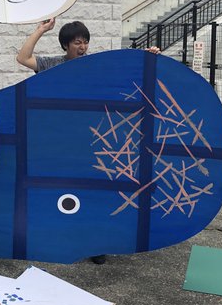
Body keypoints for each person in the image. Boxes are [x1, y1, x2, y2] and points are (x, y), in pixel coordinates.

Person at [17, 19, 160, 265]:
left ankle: (96, 244)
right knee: (61, 190)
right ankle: (62, 238)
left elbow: (128, 70)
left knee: (95, 191)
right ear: (65, 45)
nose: (82, 47)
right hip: (62, 141)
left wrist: (147, 56)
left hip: (93, 139)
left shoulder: (97, 65)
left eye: (85, 42)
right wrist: (41, 30)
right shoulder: (53, 65)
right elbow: (23, 58)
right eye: (77, 43)